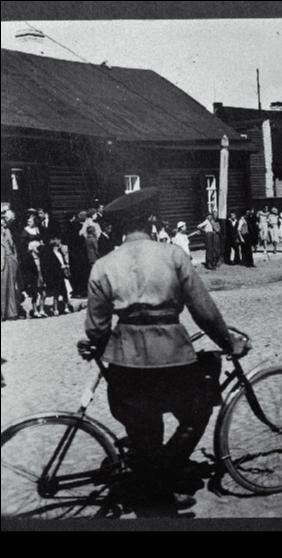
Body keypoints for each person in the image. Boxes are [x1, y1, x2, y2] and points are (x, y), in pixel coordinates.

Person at [80, 188, 250, 509]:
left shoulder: (103, 265)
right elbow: (204, 312)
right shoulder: (172, 256)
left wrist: (99, 349)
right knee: (196, 412)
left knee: (145, 430)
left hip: (125, 361)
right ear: (151, 218)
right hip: (172, 356)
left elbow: (96, 328)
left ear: (119, 226)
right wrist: (230, 342)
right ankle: (162, 482)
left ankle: (154, 482)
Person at [41, 235, 72, 316]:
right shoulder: (51, 255)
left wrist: (64, 266)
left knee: (64, 291)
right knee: (55, 292)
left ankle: (65, 307)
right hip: (55, 275)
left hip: (61, 274)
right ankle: (55, 308)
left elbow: (63, 261)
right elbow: (51, 266)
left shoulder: (60, 253)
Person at [1, 213, 21, 321]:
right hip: (1, 261)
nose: (3, 222)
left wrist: (15, 259)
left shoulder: (8, 231)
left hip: (10, 260)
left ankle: (11, 312)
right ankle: (2, 313)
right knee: (2, 287)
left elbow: (13, 246)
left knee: (11, 286)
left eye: (4, 219)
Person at [21, 240, 46, 318]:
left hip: (41, 276)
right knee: (35, 295)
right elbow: (26, 271)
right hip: (33, 278)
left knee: (44, 294)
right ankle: (35, 311)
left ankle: (42, 310)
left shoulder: (40, 257)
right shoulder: (28, 259)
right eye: (37, 247)